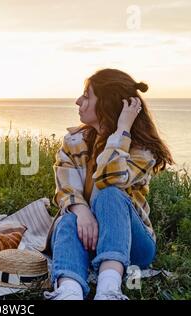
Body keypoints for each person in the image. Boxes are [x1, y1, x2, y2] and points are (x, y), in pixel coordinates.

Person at [43, 69, 174, 300]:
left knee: (110, 195)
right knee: (69, 216)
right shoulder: (74, 142)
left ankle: (108, 290)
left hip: (133, 245)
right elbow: (66, 190)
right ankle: (69, 292)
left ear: (106, 103)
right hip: (86, 237)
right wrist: (83, 212)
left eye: (87, 96)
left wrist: (121, 130)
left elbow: (109, 180)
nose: (78, 101)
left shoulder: (142, 150)